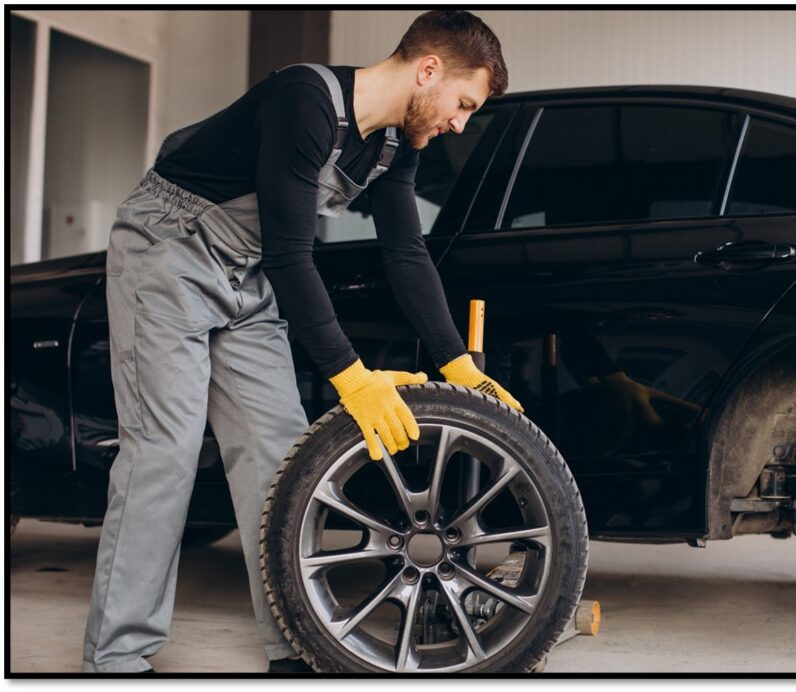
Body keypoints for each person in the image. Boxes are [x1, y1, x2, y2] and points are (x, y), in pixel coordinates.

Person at [82, 10, 519, 674]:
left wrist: (458, 363)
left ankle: (293, 647)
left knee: (278, 458)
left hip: (245, 270)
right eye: (463, 104)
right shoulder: (305, 100)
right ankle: (116, 660)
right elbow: (293, 257)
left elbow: (406, 254)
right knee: (163, 455)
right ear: (428, 69)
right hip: (167, 252)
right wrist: (353, 378)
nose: (460, 122)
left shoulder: (398, 144)